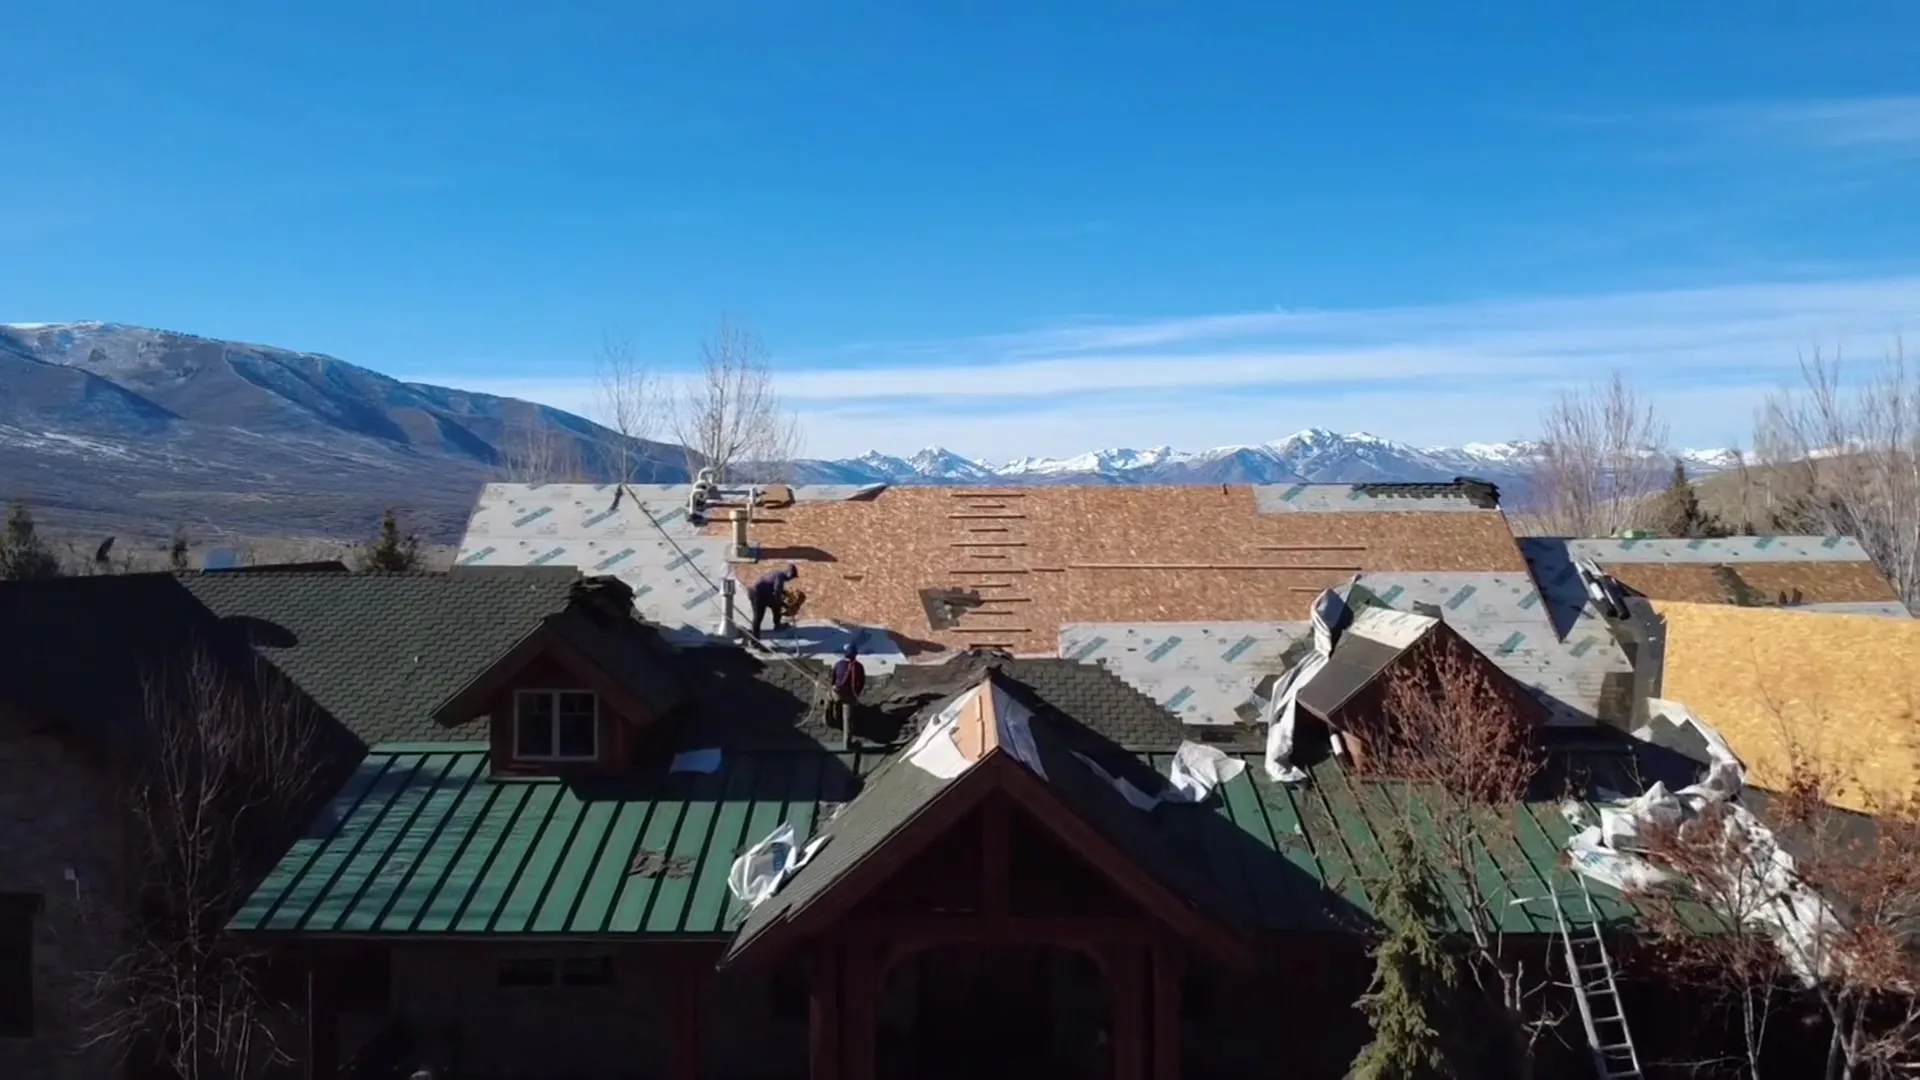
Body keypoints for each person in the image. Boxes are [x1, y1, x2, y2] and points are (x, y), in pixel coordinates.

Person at [749, 563, 799, 638]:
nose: (791, 579)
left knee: (776, 607)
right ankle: (754, 640)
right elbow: (777, 593)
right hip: (758, 595)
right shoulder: (780, 577)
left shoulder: (777, 574)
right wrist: (786, 605)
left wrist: (785, 594)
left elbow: (776, 589)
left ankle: (777, 625)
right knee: (758, 617)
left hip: (761, 593)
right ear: (789, 573)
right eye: (792, 577)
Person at [830, 642, 867, 736]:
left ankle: (833, 717)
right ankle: (851, 726)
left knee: (830, 697)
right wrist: (856, 693)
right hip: (851, 695)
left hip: (838, 693)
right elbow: (862, 683)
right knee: (851, 710)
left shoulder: (838, 664)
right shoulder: (859, 666)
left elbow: (832, 680)